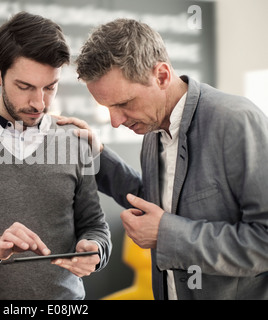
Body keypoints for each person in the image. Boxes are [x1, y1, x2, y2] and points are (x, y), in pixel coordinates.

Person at [58, 18, 268, 299]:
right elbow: (163, 204)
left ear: (162, 76)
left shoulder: (236, 121)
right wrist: (98, 156)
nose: (116, 121)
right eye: (107, 108)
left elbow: (264, 240)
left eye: (123, 104)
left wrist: (167, 235)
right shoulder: (154, 128)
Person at [0, 12, 111, 300]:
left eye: (50, 87)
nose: (39, 102)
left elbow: (95, 226)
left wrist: (95, 249)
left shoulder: (74, 140)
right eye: (25, 87)